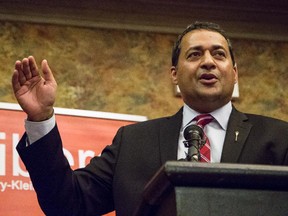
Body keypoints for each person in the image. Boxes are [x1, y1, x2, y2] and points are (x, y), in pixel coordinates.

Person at [12, 21, 288, 216]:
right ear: (174, 75)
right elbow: (67, 204)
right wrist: (41, 119)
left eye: (219, 54)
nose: (208, 62)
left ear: (235, 73)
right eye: (194, 54)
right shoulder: (133, 142)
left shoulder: (277, 138)